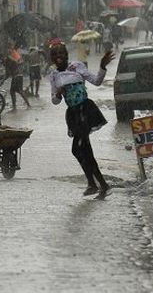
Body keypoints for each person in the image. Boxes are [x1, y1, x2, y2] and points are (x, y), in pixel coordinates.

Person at [49, 41, 115, 198]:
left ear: (66, 54)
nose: (59, 56)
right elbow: (54, 100)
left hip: (85, 110)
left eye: (62, 53)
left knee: (78, 148)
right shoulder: (53, 75)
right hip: (73, 115)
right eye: (56, 54)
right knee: (84, 150)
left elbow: (97, 81)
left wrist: (102, 66)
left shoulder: (77, 66)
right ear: (52, 58)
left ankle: (97, 184)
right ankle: (98, 184)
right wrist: (58, 94)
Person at [5, 45, 30, 110]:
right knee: (13, 91)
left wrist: (3, 79)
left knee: (19, 91)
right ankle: (16, 106)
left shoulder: (10, 58)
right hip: (18, 76)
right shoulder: (13, 57)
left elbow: (8, 72)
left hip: (16, 76)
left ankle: (18, 106)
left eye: (9, 49)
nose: (8, 50)